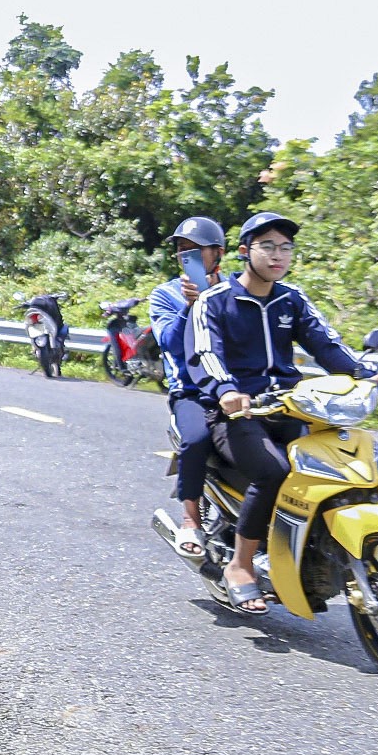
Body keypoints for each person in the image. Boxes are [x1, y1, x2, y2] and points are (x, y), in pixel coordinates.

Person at [187, 212, 378, 614]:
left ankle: (313, 550)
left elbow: (328, 346)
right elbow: (205, 354)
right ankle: (240, 565)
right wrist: (228, 390)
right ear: (245, 251)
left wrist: (367, 373)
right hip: (237, 414)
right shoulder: (215, 302)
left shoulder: (292, 299)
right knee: (273, 471)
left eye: (285, 247)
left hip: (291, 404)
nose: (278, 255)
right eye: (268, 246)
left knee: (334, 462)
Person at [148, 216, 226, 559]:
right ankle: (191, 519)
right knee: (196, 439)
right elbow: (169, 342)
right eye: (181, 250)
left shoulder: (235, 289)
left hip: (236, 388)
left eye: (195, 250)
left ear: (217, 254)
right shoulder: (165, 295)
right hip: (192, 391)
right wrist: (190, 307)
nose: (186, 256)